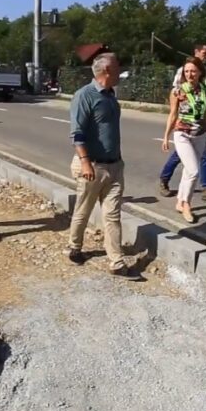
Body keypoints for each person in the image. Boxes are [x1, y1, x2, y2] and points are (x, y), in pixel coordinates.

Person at [67, 52, 140, 281]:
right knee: (83, 210)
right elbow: (76, 133)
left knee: (112, 215)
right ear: (107, 70)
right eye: (118, 66)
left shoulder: (110, 94)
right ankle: (74, 246)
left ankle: (116, 262)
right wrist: (85, 162)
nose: (121, 70)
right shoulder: (84, 96)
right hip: (92, 166)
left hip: (115, 166)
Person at [158, 43, 206, 205]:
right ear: (196, 52)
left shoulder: (205, 73)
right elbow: (177, 93)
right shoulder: (184, 70)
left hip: (200, 123)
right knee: (182, 157)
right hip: (184, 124)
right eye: (204, 53)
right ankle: (166, 180)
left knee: (203, 156)